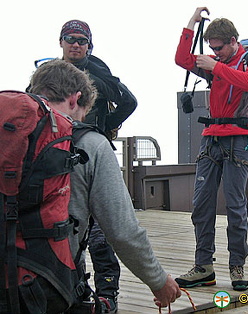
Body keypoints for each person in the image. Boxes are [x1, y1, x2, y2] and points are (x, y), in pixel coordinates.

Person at [28, 59, 181, 312]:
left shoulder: (9, 134)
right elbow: (122, 231)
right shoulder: (90, 143)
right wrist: (158, 281)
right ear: (75, 100)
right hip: (52, 281)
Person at [174, 7, 248, 291]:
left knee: (235, 205)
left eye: (220, 47)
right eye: (212, 48)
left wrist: (217, 67)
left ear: (234, 40)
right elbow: (181, 59)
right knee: (201, 203)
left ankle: (237, 267)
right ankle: (204, 267)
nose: (216, 52)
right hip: (211, 138)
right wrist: (191, 24)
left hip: (240, 139)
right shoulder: (216, 62)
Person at [59, 19, 138, 310]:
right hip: (58, 162)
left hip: (93, 159)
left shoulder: (99, 71)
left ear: (89, 45)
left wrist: (104, 128)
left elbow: (128, 100)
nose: (76, 44)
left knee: (100, 230)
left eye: (82, 40)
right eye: (71, 38)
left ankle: (109, 293)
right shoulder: (49, 75)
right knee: (64, 226)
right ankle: (71, 288)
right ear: (61, 42)